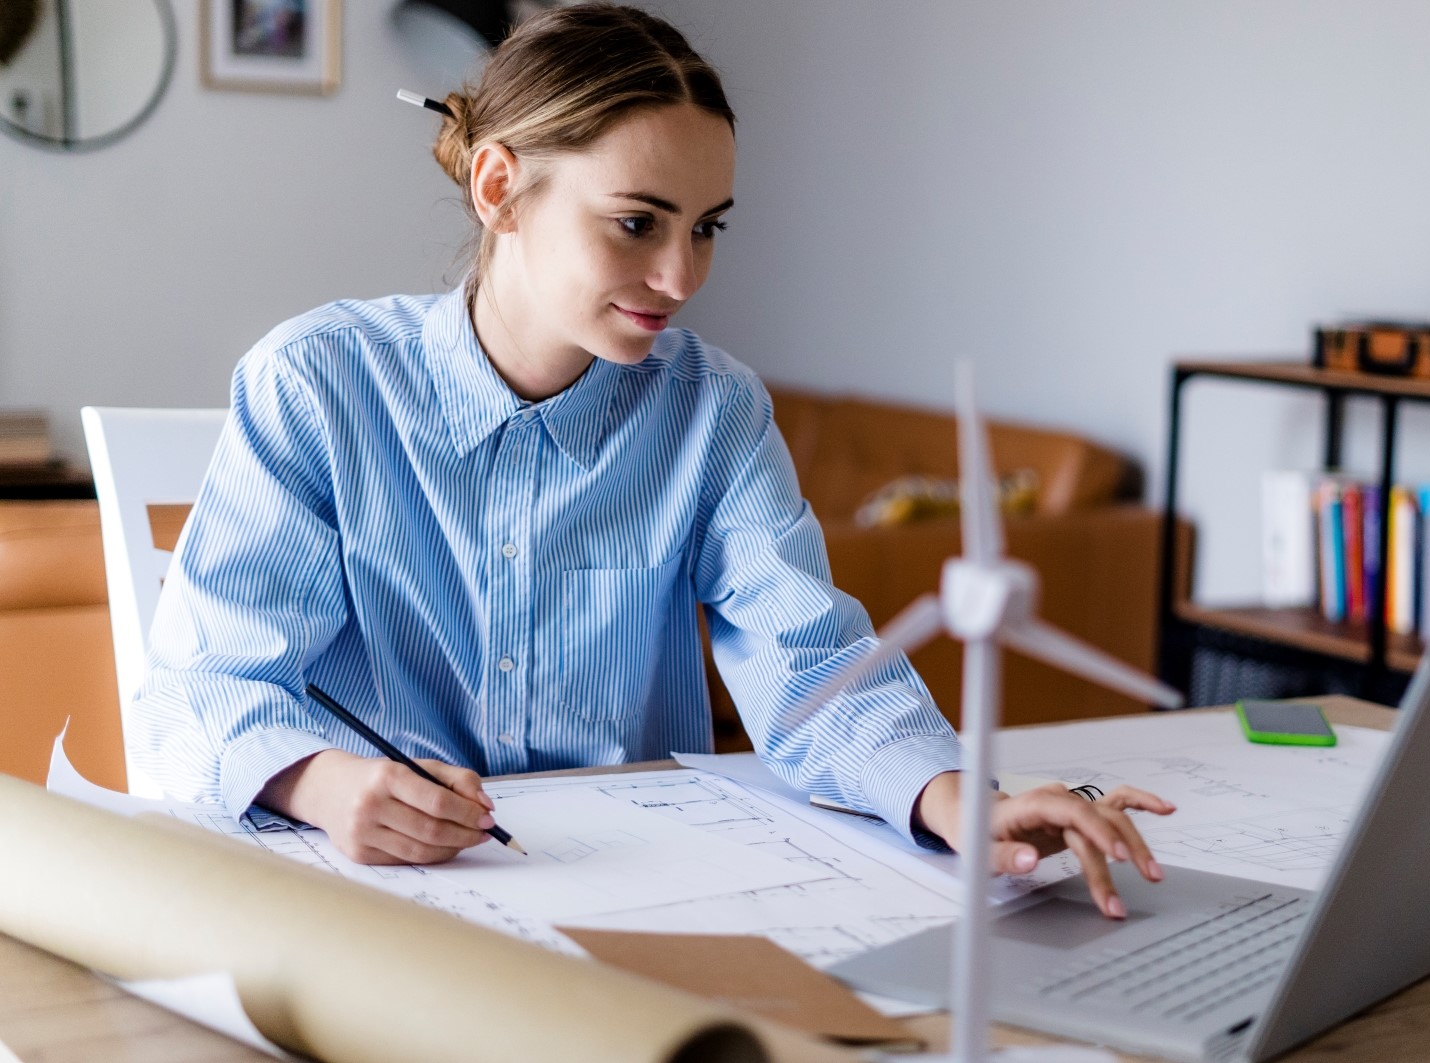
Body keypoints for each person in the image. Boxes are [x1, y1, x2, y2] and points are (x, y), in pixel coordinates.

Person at [134, 3, 1171, 918]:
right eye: (636, 223)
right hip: (375, 900)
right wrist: (317, 781)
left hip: (645, 895)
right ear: (500, 186)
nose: (679, 275)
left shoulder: (713, 410)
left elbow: (809, 663)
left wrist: (961, 799)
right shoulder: (317, 385)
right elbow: (205, 681)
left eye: (706, 228)